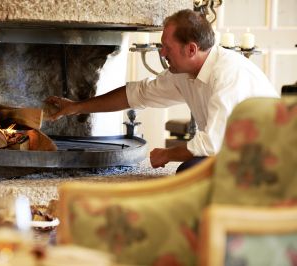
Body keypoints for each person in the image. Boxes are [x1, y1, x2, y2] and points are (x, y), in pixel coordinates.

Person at [45, 9, 279, 173]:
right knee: (189, 173)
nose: (163, 54)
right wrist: (75, 107)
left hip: (269, 161)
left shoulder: (229, 75)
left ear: (191, 49)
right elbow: (136, 94)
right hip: (233, 156)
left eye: (167, 48)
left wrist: (167, 154)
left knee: (190, 174)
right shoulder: (184, 73)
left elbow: (211, 145)